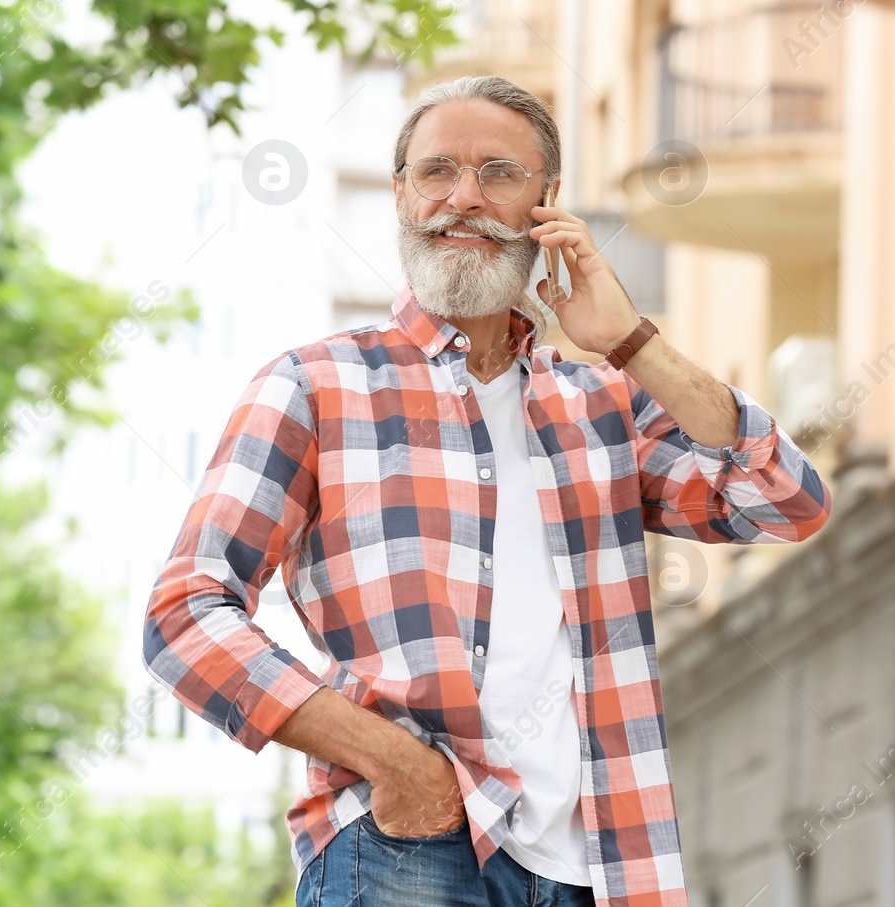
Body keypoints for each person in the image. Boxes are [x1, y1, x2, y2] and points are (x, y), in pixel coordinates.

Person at [142, 75, 832, 907]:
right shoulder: (316, 386)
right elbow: (185, 613)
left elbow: (785, 499)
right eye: (437, 171)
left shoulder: (604, 405)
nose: (463, 199)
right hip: (409, 852)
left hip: (604, 871)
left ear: (547, 202)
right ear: (400, 193)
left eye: (499, 174)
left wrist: (629, 339)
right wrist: (396, 765)